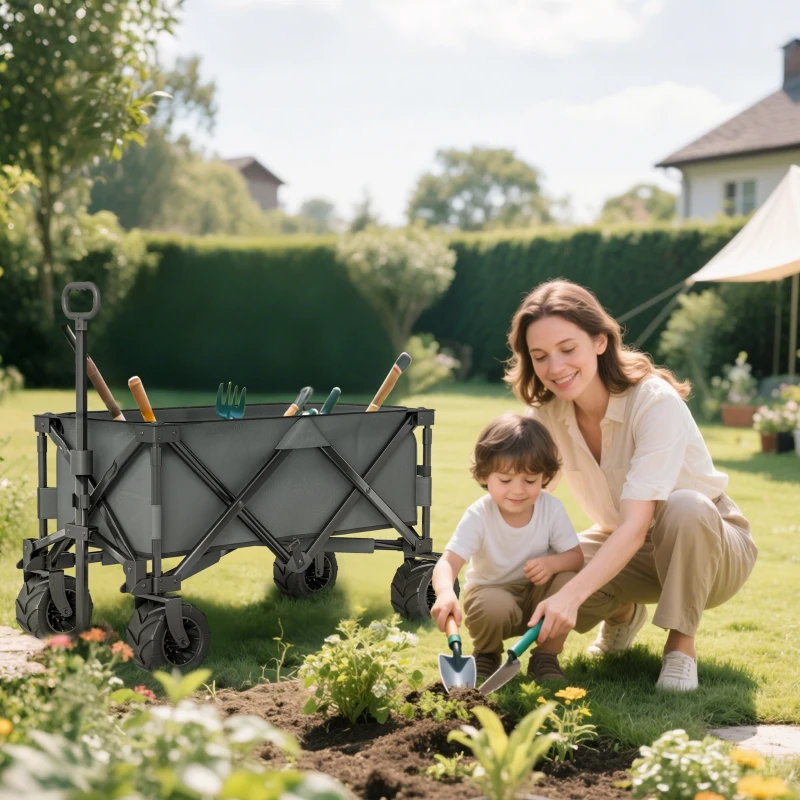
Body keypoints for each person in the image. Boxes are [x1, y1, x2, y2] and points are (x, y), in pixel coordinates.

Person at [505, 279, 758, 691]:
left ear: (600, 341)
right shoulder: (547, 414)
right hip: (629, 548)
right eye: (540, 356)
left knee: (686, 507)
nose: (555, 367)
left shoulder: (653, 401)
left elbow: (637, 525)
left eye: (568, 349)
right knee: (542, 568)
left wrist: (570, 597)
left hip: (710, 548)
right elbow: (517, 501)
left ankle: (680, 648)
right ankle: (622, 613)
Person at [430, 413, 584, 682]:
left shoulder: (551, 510)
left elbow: (575, 558)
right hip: (493, 596)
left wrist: (552, 565)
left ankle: (545, 658)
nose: (518, 490)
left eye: (530, 480)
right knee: (493, 606)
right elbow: (447, 562)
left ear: (545, 477)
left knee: (568, 582)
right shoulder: (480, 515)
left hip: (538, 597)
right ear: (485, 475)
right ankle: (487, 655)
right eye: (505, 480)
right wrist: (445, 593)